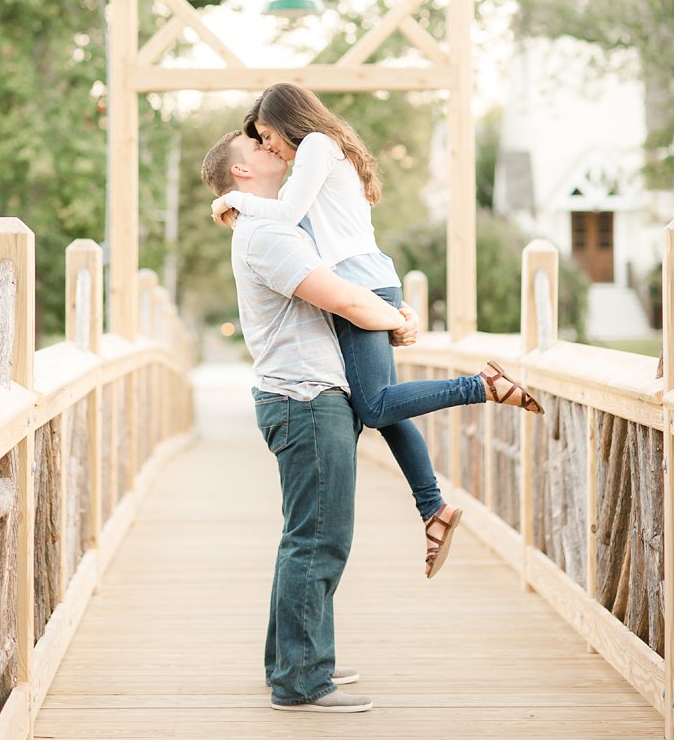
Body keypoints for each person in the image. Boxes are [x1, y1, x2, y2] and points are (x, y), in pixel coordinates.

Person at [208, 82, 543, 577]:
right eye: (259, 143)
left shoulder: (317, 148)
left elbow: (287, 215)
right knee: (382, 406)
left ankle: (482, 385)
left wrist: (231, 200)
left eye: (267, 136)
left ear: (286, 121)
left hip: (360, 286)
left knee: (375, 404)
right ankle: (433, 509)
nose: (270, 146)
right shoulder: (322, 154)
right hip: (368, 282)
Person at [202, 129, 423, 713]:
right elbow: (346, 299)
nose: (274, 151)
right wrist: (401, 321)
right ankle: (301, 679)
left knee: (305, 537)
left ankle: (295, 659)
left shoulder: (274, 224)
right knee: (320, 540)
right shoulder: (269, 233)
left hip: (304, 395)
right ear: (241, 175)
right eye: (258, 150)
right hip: (306, 398)